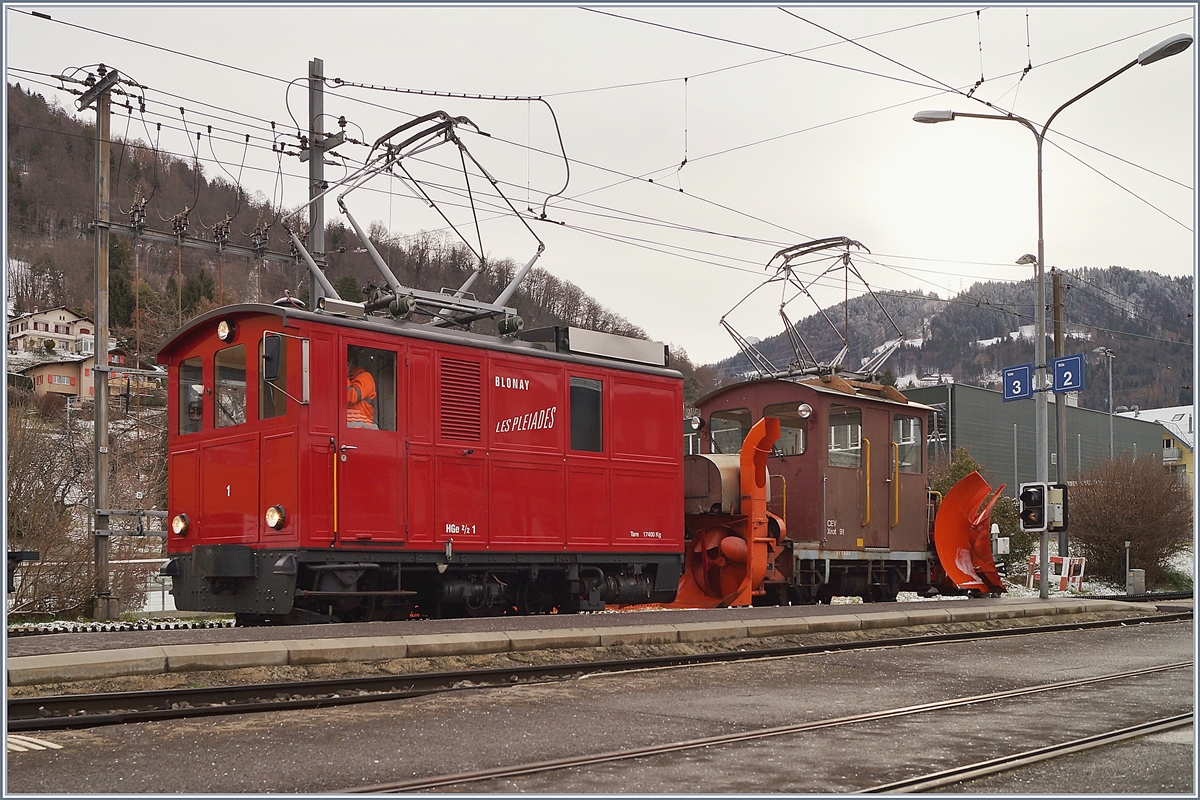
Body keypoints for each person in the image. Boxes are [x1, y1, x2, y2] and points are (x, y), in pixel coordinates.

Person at [347, 356, 378, 429]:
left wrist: (342, 376)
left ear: (349, 363)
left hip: (360, 428)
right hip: (347, 428)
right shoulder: (349, 379)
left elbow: (351, 397)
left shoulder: (365, 377)